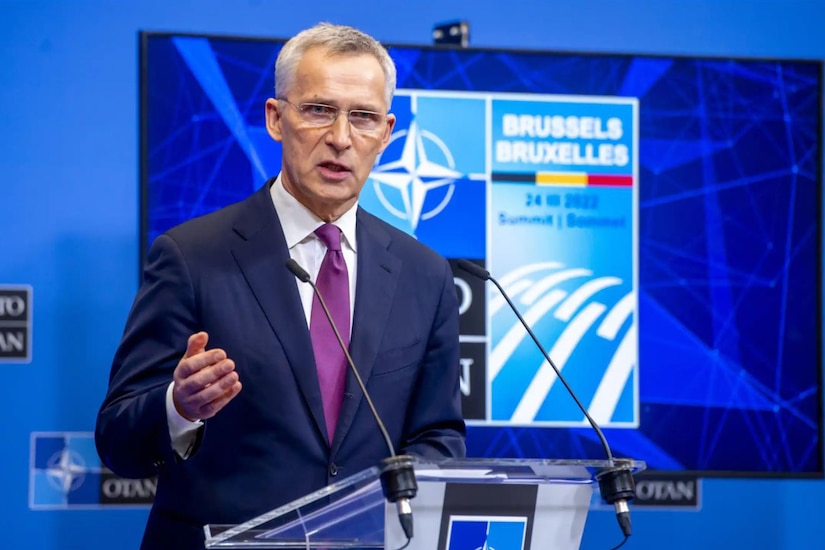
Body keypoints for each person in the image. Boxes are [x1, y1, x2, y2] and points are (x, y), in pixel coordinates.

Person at [95, 22, 466, 550]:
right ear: (276, 118)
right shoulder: (191, 256)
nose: (340, 137)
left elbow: (438, 438)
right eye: (319, 110)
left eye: (361, 118)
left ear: (386, 135)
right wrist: (179, 407)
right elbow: (117, 438)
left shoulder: (423, 272)